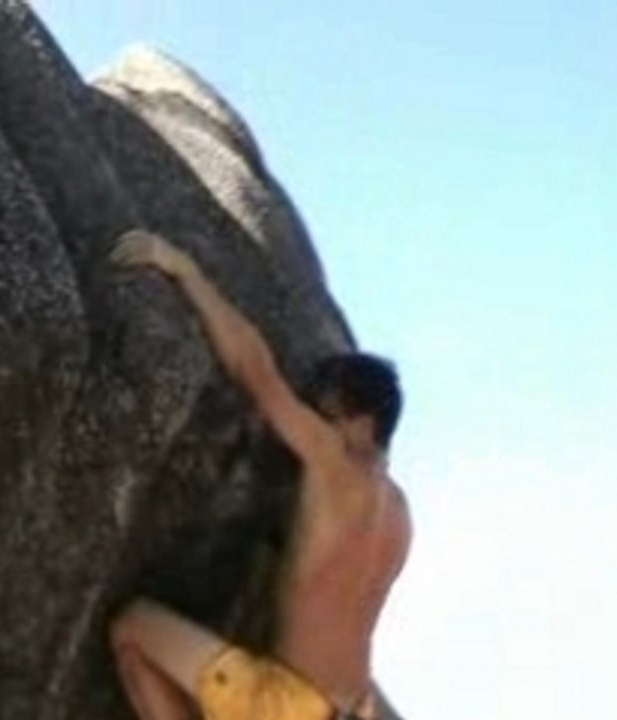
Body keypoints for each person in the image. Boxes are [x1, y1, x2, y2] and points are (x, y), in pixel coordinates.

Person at [108, 230, 412, 720]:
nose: (319, 422)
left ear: (362, 422)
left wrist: (183, 267)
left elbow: (255, 371)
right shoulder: (399, 516)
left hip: (291, 706)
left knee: (133, 629)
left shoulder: (336, 460)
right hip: (356, 709)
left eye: (329, 413)